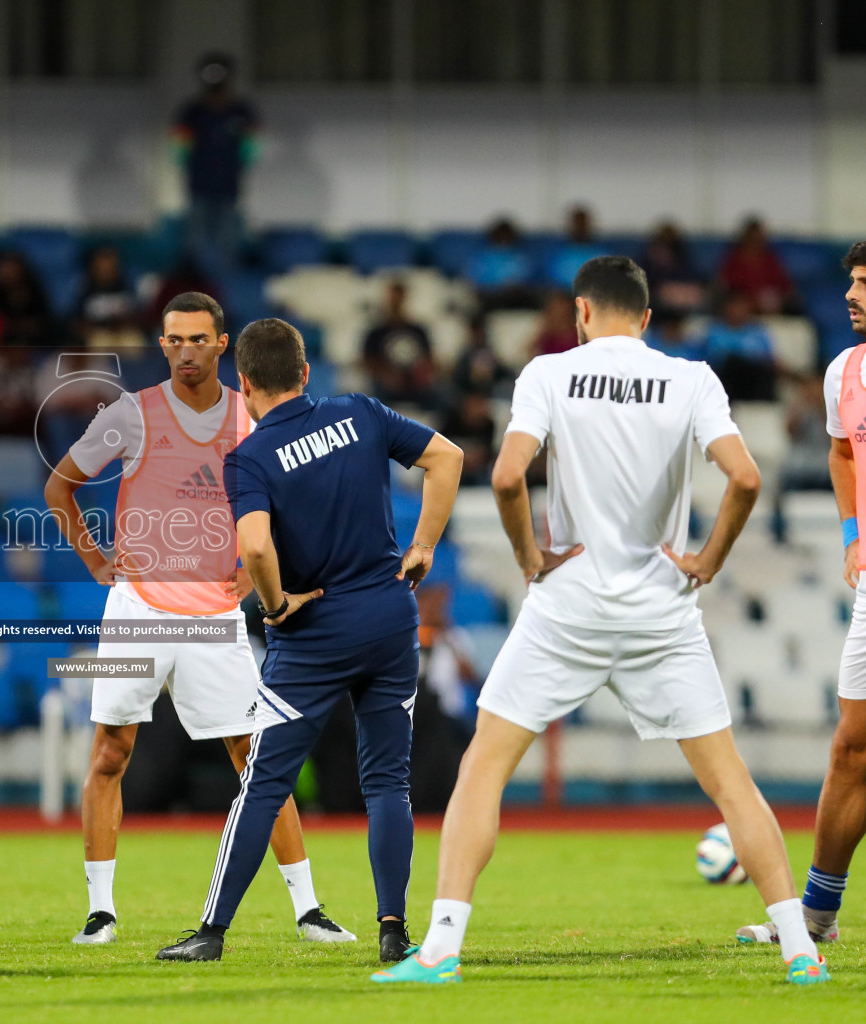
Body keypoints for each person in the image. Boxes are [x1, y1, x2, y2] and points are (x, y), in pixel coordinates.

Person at [375, 256, 826, 986]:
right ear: (646, 319)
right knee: (732, 785)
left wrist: (531, 558)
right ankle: (800, 953)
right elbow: (746, 476)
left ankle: (439, 951)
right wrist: (707, 559)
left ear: (581, 313)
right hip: (661, 612)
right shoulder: (691, 379)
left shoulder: (548, 375)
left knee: (483, 769)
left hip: (569, 606)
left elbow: (504, 474)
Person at [47, 293, 357, 952]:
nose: (185, 350)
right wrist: (97, 563)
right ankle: (100, 911)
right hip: (134, 611)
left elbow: (294, 506)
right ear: (162, 346)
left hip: (214, 615)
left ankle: (308, 908)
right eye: (173, 339)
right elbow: (59, 487)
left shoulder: (253, 418)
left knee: (258, 760)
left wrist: (250, 578)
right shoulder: (131, 415)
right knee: (110, 753)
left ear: (222, 345)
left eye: (197, 339)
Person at [153, 317, 462, 964]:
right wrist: (423, 546)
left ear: (243, 383)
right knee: (387, 783)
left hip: (314, 636)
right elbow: (448, 457)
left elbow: (257, 544)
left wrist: (275, 605)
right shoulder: (360, 411)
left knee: (264, 783)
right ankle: (392, 929)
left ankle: (211, 932)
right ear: (303, 373)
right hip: (387, 618)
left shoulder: (250, 458)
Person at [737, 241, 866, 947]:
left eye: (865, 283)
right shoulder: (845, 371)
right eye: (850, 281)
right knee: (853, 749)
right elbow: (844, 450)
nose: (851, 295)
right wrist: (852, 531)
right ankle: (817, 917)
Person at [172, 53, 257, 277]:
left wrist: (239, 162)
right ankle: (194, 281)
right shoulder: (192, 113)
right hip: (199, 185)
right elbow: (179, 149)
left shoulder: (241, 112)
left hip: (228, 185)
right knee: (195, 239)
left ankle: (226, 283)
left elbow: (252, 149)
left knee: (228, 241)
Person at [361, 280, 439, 409]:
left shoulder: (418, 331)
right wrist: (385, 373)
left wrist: (420, 373)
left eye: (399, 299)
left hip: (415, 382)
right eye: (393, 299)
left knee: (440, 394)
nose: (396, 304)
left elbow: (429, 360)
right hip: (385, 384)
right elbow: (367, 361)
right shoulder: (376, 332)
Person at [704, 291, 777, 401]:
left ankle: (760, 406)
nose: (738, 312)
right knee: (733, 363)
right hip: (725, 377)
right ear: (727, 309)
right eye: (735, 308)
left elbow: (769, 358)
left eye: (742, 308)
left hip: (754, 378)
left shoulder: (757, 331)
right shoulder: (715, 331)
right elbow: (710, 358)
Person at [720, 217, 795, 315]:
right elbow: (726, 284)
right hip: (741, 302)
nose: (755, 241)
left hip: (768, 303)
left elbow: (784, 285)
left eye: (758, 237)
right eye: (752, 237)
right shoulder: (733, 259)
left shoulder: (770, 259)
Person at [465, 218, 536, 310]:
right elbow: (476, 281)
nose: (503, 240)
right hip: (491, 296)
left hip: (515, 296)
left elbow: (525, 280)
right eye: (500, 237)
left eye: (507, 237)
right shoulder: (484, 257)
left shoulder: (519, 257)